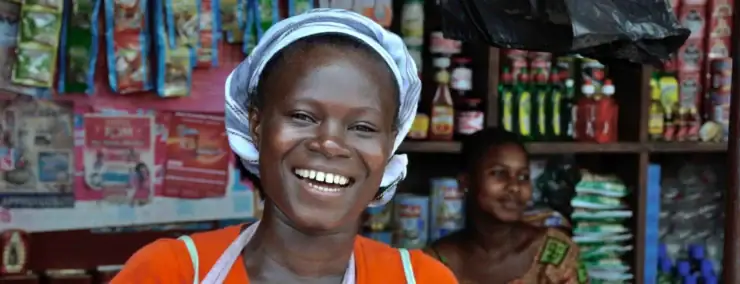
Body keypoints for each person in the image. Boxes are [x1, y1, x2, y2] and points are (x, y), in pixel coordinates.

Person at [112, 9, 457, 283]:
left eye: (363, 127)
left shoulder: (421, 279)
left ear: (389, 145)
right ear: (256, 126)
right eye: (303, 116)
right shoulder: (171, 273)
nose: (330, 144)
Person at [425, 128, 586, 284]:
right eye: (499, 173)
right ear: (465, 183)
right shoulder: (433, 264)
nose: (515, 187)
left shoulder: (555, 256)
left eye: (523, 177)